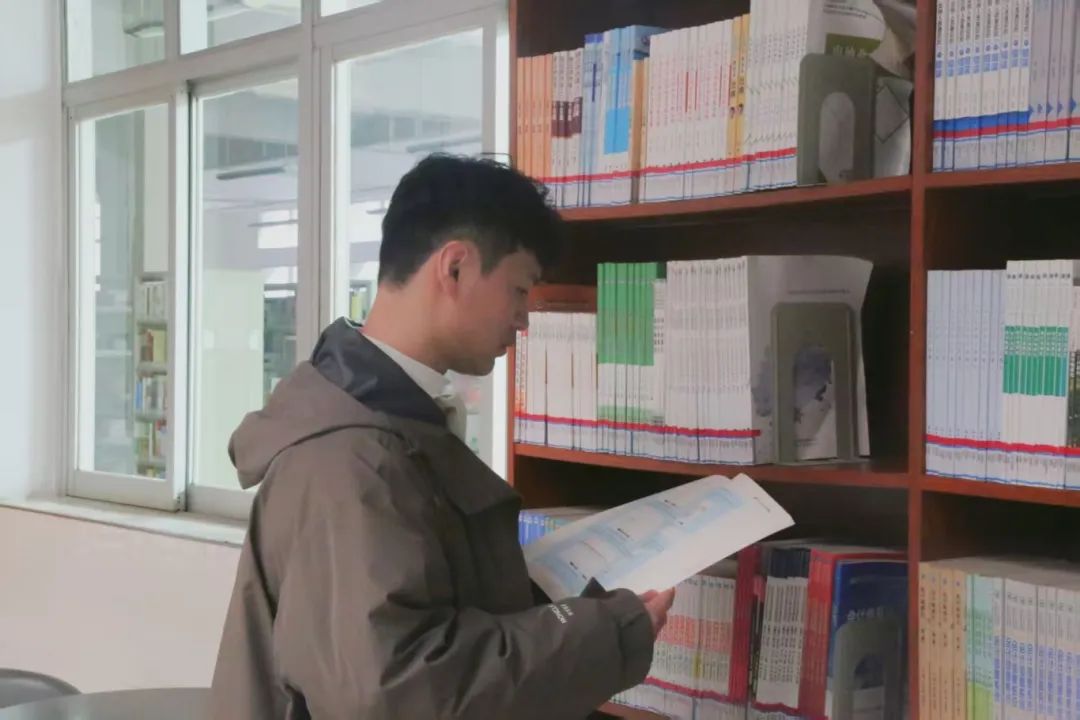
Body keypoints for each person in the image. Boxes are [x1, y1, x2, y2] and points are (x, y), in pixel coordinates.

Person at [210, 154, 676, 719]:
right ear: (455, 268)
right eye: (519, 290)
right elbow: (400, 690)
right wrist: (608, 633)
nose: (524, 319)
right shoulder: (350, 461)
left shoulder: (385, 422)